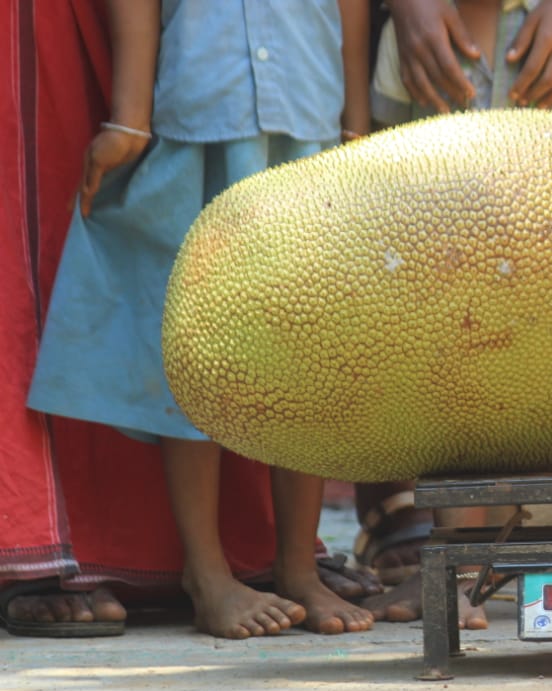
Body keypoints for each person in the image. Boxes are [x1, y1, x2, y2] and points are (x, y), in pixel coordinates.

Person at [23, 0, 375, 639]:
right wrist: (129, 117)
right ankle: (206, 572)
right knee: (196, 347)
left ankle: (297, 564)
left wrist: (356, 127)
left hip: (308, 122)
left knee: (309, 349)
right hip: (200, 121)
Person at [354, 0, 552, 627]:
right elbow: (374, 169)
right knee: (451, 411)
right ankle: (453, 571)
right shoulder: (408, 37)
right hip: (449, 295)